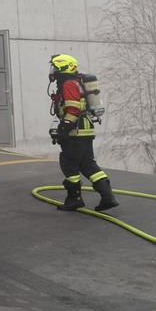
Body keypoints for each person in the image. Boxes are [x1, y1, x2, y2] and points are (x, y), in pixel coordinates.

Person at [48, 53, 118, 212]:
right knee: (85, 163)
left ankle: (75, 199)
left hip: (76, 131)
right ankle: (107, 197)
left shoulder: (68, 84)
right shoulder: (74, 82)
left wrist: (64, 129)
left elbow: (73, 108)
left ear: (63, 67)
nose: (52, 70)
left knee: (69, 162)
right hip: (84, 129)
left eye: (55, 67)